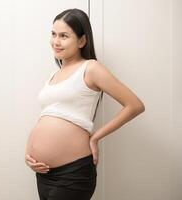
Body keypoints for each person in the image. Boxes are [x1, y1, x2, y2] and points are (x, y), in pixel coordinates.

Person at [24, 8, 145, 200]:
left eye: (64, 36)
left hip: (72, 174)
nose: (56, 41)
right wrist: (30, 154)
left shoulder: (91, 68)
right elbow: (49, 117)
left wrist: (95, 137)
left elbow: (134, 105)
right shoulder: (54, 75)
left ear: (82, 40)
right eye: (53, 34)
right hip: (44, 174)